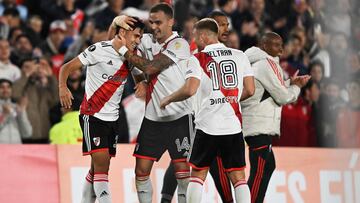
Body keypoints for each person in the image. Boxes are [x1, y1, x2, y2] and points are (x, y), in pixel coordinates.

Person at [160, 18, 255, 203]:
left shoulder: (197, 59)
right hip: (232, 125)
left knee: (197, 174)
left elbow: (189, 89)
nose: (194, 40)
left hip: (207, 125)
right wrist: (230, 99)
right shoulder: (239, 55)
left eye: (196, 36)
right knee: (238, 177)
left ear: (203, 36)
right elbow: (250, 90)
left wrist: (169, 98)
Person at [111, 4, 192, 203]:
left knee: (182, 170)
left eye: (159, 22)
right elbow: (113, 42)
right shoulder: (146, 40)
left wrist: (124, 51)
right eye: (152, 22)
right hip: (153, 118)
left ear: (171, 22)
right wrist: (116, 23)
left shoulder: (180, 44)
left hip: (179, 117)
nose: (154, 26)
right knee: (141, 170)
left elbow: (150, 66)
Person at [58, 18, 145, 203]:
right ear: (123, 33)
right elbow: (66, 67)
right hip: (93, 115)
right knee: (102, 168)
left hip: (113, 119)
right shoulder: (98, 50)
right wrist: (63, 88)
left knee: (96, 167)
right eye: (136, 35)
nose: (138, 40)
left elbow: (139, 76)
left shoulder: (131, 56)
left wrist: (142, 84)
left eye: (140, 37)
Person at [241, 32, 310, 203]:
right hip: (259, 125)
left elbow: (268, 91)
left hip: (254, 123)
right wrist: (296, 88)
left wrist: (290, 84)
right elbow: (283, 97)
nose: (281, 49)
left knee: (267, 166)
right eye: (276, 45)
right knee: (260, 170)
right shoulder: (266, 64)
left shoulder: (256, 63)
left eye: (281, 44)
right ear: (264, 46)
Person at [0, 78, 32, 143]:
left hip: (16, 149)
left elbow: (27, 133)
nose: (5, 90)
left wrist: (22, 112)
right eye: (2, 87)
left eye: (8, 87)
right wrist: (4, 115)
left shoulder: (16, 107)